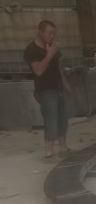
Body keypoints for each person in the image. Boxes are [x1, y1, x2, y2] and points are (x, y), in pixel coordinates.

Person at [24, 20, 70, 158]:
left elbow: (59, 68)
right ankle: (49, 151)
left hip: (58, 87)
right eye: (49, 33)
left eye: (54, 33)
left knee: (63, 118)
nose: (52, 36)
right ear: (40, 32)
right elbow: (38, 71)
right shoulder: (31, 50)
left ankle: (63, 147)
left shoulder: (53, 47)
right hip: (45, 90)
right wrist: (49, 54)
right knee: (51, 120)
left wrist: (66, 86)